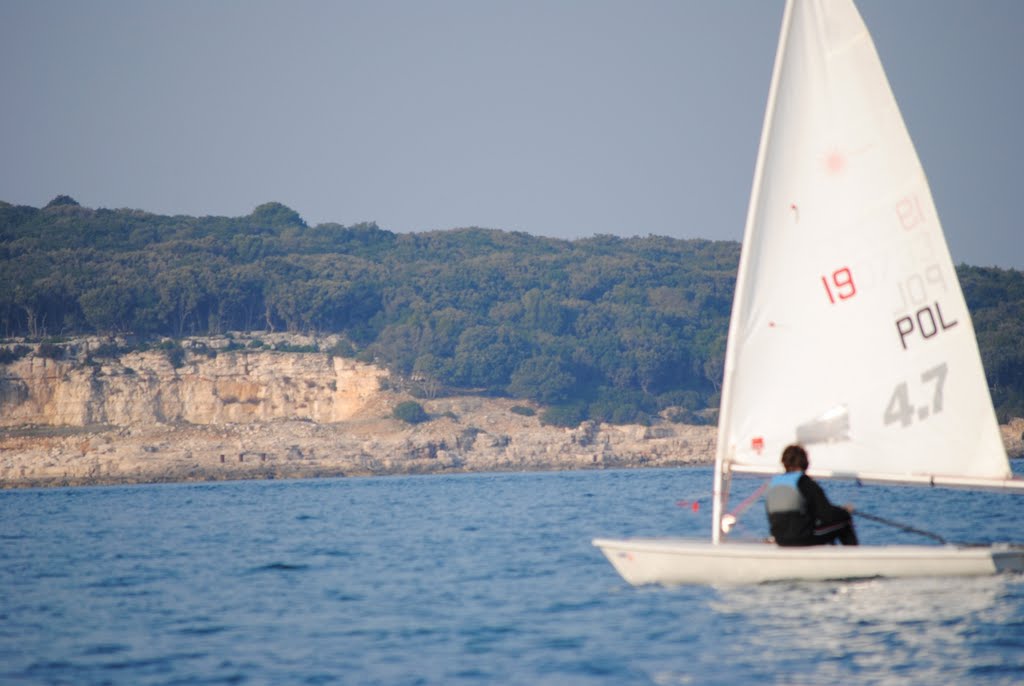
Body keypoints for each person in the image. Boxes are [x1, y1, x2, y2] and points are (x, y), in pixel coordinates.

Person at [764, 444, 858, 546]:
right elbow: (827, 515)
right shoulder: (805, 482)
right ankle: (854, 555)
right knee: (844, 520)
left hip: (780, 539)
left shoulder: (773, 483)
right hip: (803, 538)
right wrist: (844, 511)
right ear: (805, 463)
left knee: (824, 525)